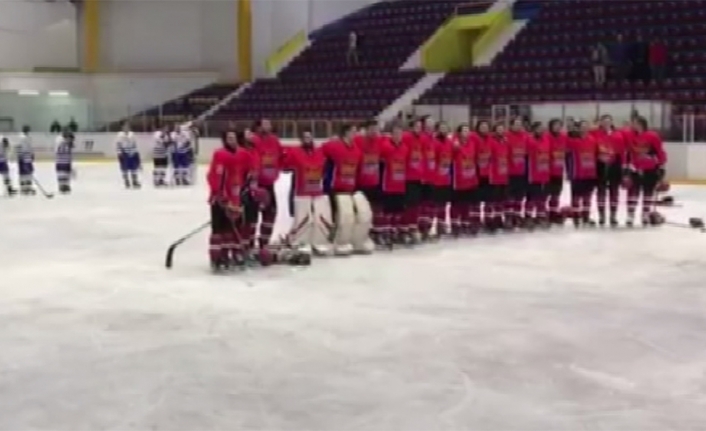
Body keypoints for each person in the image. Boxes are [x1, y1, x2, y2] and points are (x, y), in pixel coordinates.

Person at [206, 130, 258, 271]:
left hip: (236, 199)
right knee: (219, 230)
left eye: (233, 137)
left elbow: (251, 172)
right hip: (220, 199)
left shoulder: (243, 154)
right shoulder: (220, 154)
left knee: (232, 230)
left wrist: (246, 192)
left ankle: (233, 255)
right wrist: (221, 197)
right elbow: (214, 177)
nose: (232, 140)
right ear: (224, 140)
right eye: (229, 137)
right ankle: (217, 257)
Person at [322, 124, 373, 255]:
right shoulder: (335, 146)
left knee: (351, 216)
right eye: (353, 132)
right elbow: (321, 152)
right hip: (336, 188)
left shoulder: (357, 150)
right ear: (345, 133)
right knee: (338, 216)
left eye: (355, 132)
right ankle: (332, 241)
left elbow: (358, 169)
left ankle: (350, 239)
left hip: (350, 188)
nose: (355, 134)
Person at [281, 129, 332, 256]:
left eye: (309, 136)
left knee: (319, 218)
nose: (307, 139)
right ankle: (300, 242)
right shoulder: (296, 153)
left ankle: (319, 242)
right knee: (303, 219)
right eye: (305, 137)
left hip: (317, 192)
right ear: (301, 139)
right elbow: (285, 166)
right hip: (302, 192)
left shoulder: (320, 152)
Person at [623, 116, 667, 226]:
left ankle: (645, 214)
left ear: (641, 124)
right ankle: (630, 215)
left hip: (650, 169)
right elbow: (627, 152)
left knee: (648, 193)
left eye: (635, 123)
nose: (632, 125)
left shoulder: (653, 136)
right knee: (632, 193)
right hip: (635, 168)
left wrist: (661, 165)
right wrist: (625, 168)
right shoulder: (629, 135)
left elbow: (659, 151)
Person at [250, 118, 283, 248]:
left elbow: (281, 156)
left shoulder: (274, 140)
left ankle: (264, 242)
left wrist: (277, 172)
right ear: (258, 126)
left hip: (269, 185)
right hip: (254, 185)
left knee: (271, 213)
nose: (267, 126)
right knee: (252, 216)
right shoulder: (253, 140)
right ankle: (249, 244)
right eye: (264, 124)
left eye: (269, 124)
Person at [592, 114, 625, 227]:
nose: (606, 123)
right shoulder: (595, 134)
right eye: (604, 121)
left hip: (615, 165)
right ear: (600, 123)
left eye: (608, 121)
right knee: (601, 191)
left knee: (614, 191)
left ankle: (613, 215)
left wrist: (623, 167)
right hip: (600, 165)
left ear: (612, 122)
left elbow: (621, 152)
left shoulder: (618, 135)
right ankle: (601, 215)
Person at [378, 123, 409, 246]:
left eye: (400, 134)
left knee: (398, 211)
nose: (398, 136)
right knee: (388, 211)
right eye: (395, 133)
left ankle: (395, 232)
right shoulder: (385, 146)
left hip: (400, 185)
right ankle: (386, 233)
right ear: (391, 134)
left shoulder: (405, 148)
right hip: (388, 185)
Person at [354, 121, 383, 244]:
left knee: (376, 208)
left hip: (375, 182)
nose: (374, 131)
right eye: (371, 129)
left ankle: (376, 231)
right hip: (361, 183)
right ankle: (360, 232)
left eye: (375, 129)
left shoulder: (380, 141)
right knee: (362, 210)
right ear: (366, 129)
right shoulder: (358, 140)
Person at [566, 120, 598, 227]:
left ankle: (586, 217)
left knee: (587, 197)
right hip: (577, 174)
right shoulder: (573, 141)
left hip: (590, 173)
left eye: (586, 126)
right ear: (578, 129)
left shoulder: (592, 140)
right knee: (576, 197)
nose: (584, 128)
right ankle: (576, 218)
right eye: (582, 127)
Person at [450, 124, 479, 236]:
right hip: (458, 179)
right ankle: (455, 224)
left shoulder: (472, 143)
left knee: (468, 203)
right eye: (464, 131)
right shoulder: (455, 143)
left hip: (470, 178)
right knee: (457, 203)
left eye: (468, 130)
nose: (466, 133)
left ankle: (466, 222)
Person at [402, 119, 426, 241]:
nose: (419, 128)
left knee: (416, 204)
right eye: (417, 126)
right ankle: (405, 228)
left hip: (418, 177)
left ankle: (413, 226)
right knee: (408, 204)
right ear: (411, 127)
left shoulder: (422, 138)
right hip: (407, 177)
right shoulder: (406, 137)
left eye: (420, 126)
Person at [526, 122, 551, 228]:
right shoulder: (529, 140)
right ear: (534, 129)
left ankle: (540, 216)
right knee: (532, 197)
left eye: (542, 128)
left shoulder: (546, 139)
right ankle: (528, 217)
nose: (541, 130)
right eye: (538, 128)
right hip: (532, 173)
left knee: (542, 197)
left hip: (544, 173)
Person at [506, 117, 529, 228]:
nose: (518, 126)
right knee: (510, 196)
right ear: (511, 125)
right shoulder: (506, 136)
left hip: (522, 171)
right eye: (516, 124)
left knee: (519, 197)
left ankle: (517, 216)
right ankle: (509, 217)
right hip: (509, 172)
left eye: (520, 124)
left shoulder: (525, 136)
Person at [432, 122, 454, 236]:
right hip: (435, 178)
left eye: (445, 128)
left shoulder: (450, 143)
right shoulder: (434, 142)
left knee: (444, 204)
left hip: (446, 178)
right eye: (441, 128)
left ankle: (441, 224)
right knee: (435, 203)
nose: (444, 130)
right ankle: (432, 225)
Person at [488, 123, 510, 232]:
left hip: (504, 175)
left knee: (502, 199)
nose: (500, 131)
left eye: (502, 129)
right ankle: (494, 219)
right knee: (495, 199)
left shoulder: (506, 141)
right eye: (498, 129)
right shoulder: (491, 141)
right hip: (494, 175)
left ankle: (501, 218)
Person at [472, 120, 493, 230]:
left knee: (489, 198)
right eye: (482, 126)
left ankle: (488, 219)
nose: (484, 128)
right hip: (476, 172)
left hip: (489, 173)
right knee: (476, 199)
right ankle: (475, 220)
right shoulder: (473, 137)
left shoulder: (491, 138)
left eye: (486, 126)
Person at [545, 119, 567, 223]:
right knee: (545, 194)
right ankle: (543, 213)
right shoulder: (546, 137)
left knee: (556, 193)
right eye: (555, 125)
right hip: (546, 171)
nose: (557, 127)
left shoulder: (563, 137)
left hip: (559, 170)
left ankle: (553, 213)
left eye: (559, 125)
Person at [116, 123, 141, 189]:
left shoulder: (132, 134)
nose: (126, 128)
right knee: (124, 168)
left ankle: (134, 181)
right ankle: (126, 181)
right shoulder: (120, 135)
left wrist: (135, 152)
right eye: (125, 127)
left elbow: (134, 143)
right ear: (122, 128)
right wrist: (119, 152)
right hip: (124, 153)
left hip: (132, 152)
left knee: (134, 168)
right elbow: (118, 144)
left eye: (127, 127)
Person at [15, 125, 35, 195]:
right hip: (22, 157)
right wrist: (20, 156)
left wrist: (32, 154)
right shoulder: (20, 137)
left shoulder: (29, 137)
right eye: (26, 129)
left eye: (28, 129)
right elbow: (18, 147)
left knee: (29, 171)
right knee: (22, 173)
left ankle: (28, 186)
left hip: (28, 157)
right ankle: (23, 188)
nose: (27, 130)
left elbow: (30, 146)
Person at [55, 129, 75, 194]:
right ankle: (62, 185)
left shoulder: (62, 140)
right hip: (62, 161)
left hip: (64, 161)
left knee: (66, 172)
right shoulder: (61, 140)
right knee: (62, 172)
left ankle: (65, 185)